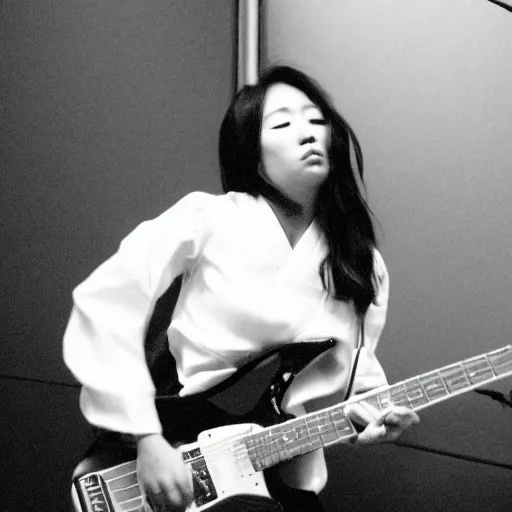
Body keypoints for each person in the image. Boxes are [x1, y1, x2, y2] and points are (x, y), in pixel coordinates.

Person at [63, 65, 419, 512]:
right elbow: (107, 302)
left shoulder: (362, 265)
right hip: (175, 452)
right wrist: (148, 439)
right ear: (252, 154)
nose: (308, 134)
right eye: (284, 123)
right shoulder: (209, 218)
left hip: (281, 479)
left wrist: (372, 421)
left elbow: (357, 389)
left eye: (316, 119)